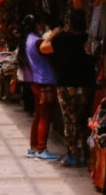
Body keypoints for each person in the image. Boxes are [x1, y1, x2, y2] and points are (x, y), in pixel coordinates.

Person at [42, 13, 96, 168]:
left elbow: (44, 48)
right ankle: (82, 155)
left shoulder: (62, 38)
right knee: (80, 120)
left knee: (69, 120)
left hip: (66, 84)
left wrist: (53, 34)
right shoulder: (87, 38)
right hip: (85, 84)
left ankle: (72, 156)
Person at [22, 15, 59, 161]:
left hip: (35, 80)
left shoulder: (27, 39)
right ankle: (41, 149)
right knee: (45, 116)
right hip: (44, 80)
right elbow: (48, 50)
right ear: (36, 25)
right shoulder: (37, 42)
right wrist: (53, 35)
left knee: (38, 115)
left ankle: (33, 147)